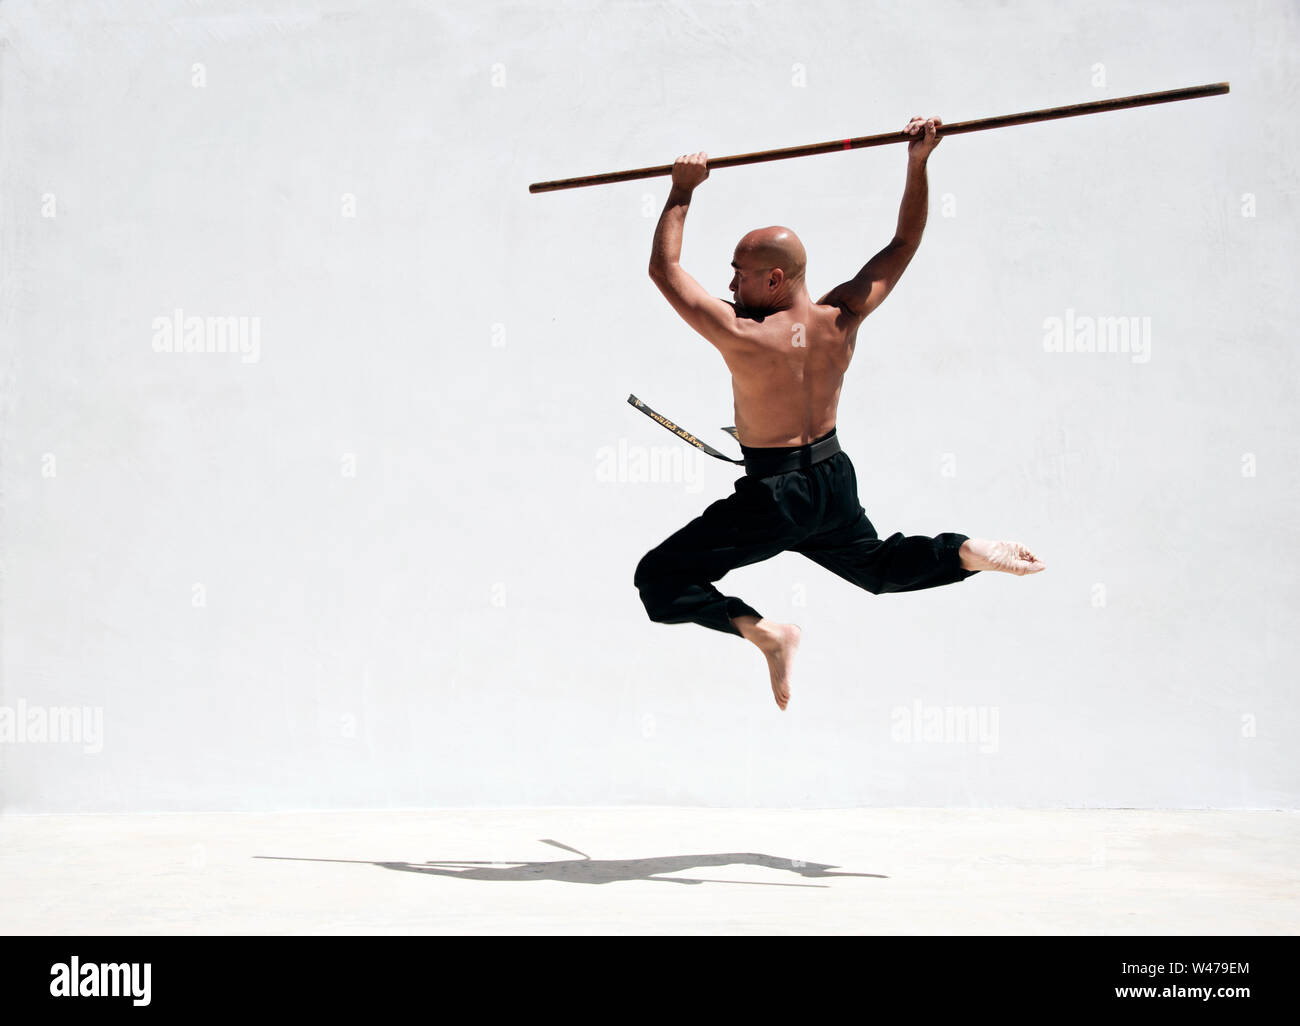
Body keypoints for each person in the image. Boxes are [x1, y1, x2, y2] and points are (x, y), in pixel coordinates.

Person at [635, 115, 1045, 711]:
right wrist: (918, 162)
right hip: (832, 480)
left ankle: (765, 631)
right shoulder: (841, 318)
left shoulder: (742, 333)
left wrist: (682, 190)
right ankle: (964, 552)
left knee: (659, 577)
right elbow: (903, 244)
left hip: (774, 496)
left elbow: (665, 271)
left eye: (739, 274)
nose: (729, 282)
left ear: (774, 278)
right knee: (876, 566)